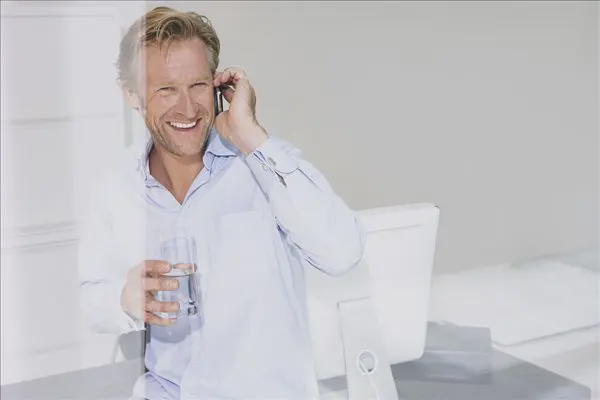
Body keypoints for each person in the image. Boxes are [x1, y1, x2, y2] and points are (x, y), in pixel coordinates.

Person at [78, 6, 365, 400]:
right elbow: (91, 299)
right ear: (132, 94)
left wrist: (252, 137)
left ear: (216, 84)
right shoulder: (115, 189)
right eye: (166, 89)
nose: (187, 108)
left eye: (197, 85)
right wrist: (124, 299)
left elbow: (342, 251)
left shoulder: (262, 166)